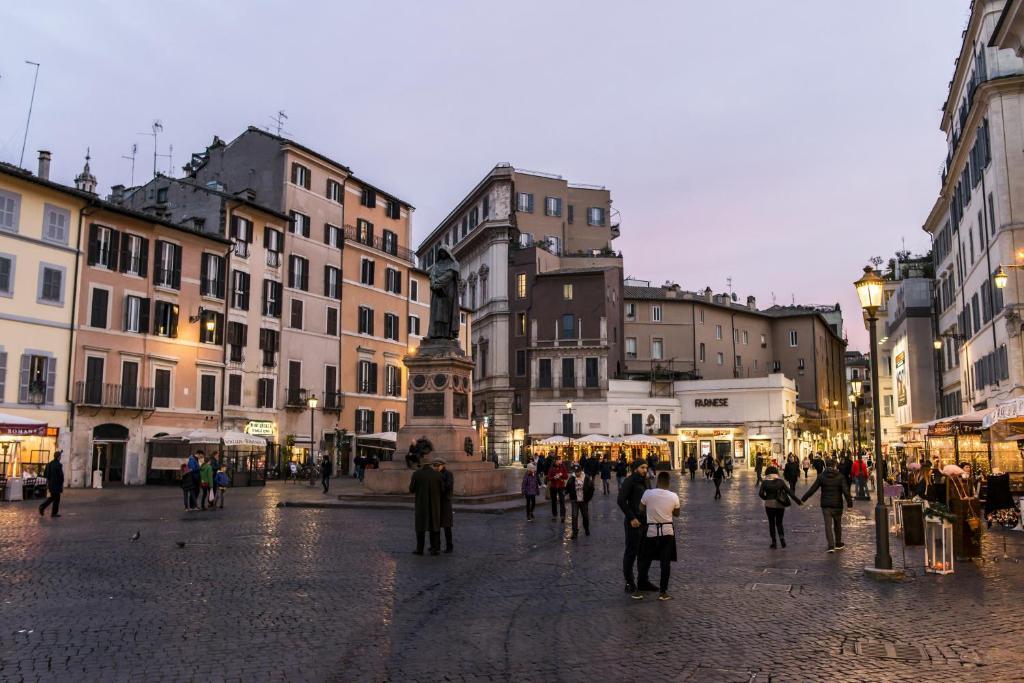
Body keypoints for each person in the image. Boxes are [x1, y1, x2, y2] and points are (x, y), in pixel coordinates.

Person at [635, 471, 680, 601]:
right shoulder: (674, 496)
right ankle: (663, 592)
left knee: (645, 561)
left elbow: (641, 508)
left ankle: (639, 589)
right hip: (667, 531)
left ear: (657, 481)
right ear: (669, 482)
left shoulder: (648, 493)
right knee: (665, 563)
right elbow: (676, 513)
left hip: (652, 531)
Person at [800, 457, 854, 552]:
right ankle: (838, 543)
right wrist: (849, 504)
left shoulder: (821, 476)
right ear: (835, 465)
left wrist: (803, 499)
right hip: (837, 504)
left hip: (826, 504)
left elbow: (812, 489)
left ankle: (830, 546)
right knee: (837, 524)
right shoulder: (840, 476)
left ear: (826, 465)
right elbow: (846, 491)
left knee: (828, 525)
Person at [617, 461, 655, 594]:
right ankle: (629, 582)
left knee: (645, 553)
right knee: (631, 552)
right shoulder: (630, 481)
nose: (645, 470)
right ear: (635, 469)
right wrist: (631, 517)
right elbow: (621, 500)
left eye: (646, 467)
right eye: (642, 467)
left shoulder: (646, 481)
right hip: (633, 522)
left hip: (646, 521)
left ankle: (643, 581)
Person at [759, 465, 801, 548]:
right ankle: (782, 538)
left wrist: (766, 498)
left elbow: (760, 494)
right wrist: (798, 501)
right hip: (780, 505)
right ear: (776, 473)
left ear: (767, 473)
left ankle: (774, 542)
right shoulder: (780, 482)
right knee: (779, 522)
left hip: (769, 505)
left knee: (771, 523)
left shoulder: (765, 482)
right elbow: (790, 492)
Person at [409, 461, 443, 555]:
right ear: (431, 465)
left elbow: (411, 489)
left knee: (420, 527)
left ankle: (420, 549)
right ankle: (434, 549)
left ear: (421, 464)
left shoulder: (417, 474)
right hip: (435, 504)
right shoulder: (438, 475)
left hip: (421, 505)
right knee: (434, 526)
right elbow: (442, 489)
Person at [566, 464, 594, 539]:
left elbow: (591, 488)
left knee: (585, 516)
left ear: (581, 471)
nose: (576, 473)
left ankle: (586, 528)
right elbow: (567, 487)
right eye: (575, 472)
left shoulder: (586, 478)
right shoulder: (572, 478)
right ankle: (575, 532)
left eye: (578, 472)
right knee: (574, 516)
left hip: (583, 500)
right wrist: (567, 493)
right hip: (575, 500)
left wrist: (588, 498)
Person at [433, 459, 455, 553]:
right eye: (435, 466)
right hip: (437, 501)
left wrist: (439, 484)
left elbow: (448, 485)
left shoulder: (448, 474)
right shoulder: (435, 474)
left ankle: (449, 546)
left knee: (447, 526)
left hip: (445, 501)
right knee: (436, 525)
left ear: (442, 465)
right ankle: (436, 545)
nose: (436, 468)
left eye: (438, 466)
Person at [38, 450, 64, 518]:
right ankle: (47, 509)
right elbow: (60, 476)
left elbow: (45, 474)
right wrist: (61, 483)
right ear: (58, 457)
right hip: (56, 484)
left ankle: (44, 508)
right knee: (56, 498)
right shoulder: (58, 465)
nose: (60, 458)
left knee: (53, 497)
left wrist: (49, 480)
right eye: (60, 456)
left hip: (51, 484)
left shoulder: (49, 464)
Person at [547, 455, 569, 520]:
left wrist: (561, 475)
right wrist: (554, 477)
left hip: (561, 486)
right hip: (553, 486)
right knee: (554, 501)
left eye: (560, 460)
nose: (560, 461)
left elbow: (566, 476)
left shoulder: (563, 467)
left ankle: (562, 515)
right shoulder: (551, 467)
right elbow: (548, 477)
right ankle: (554, 514)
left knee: (562, 500)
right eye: (559, 460)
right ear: (556, 461)